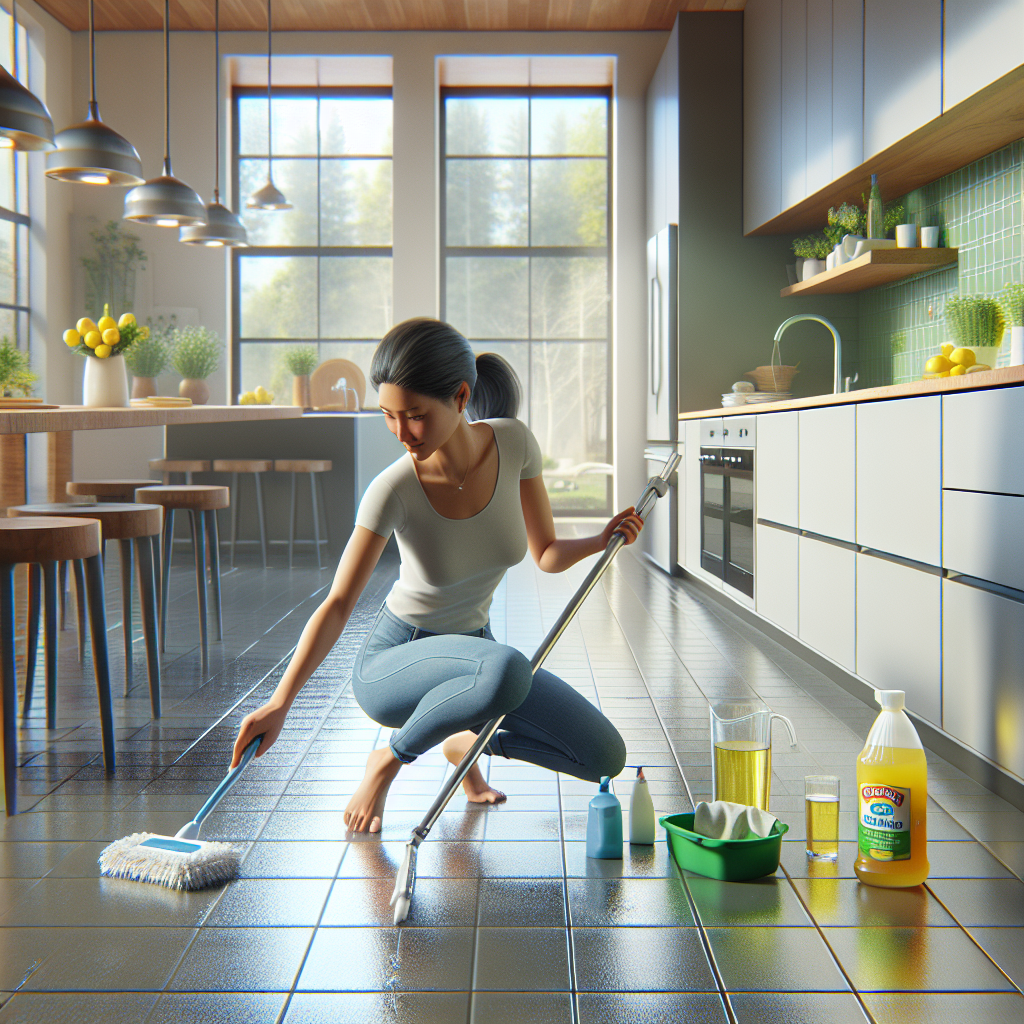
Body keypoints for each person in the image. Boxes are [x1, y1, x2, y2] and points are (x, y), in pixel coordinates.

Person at [231, 317, 642, 832]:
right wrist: (279, 702)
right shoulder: (394, 489)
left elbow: (548, 553)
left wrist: (601, 541)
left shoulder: (514, 444)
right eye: (388, 416)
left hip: (479, 663)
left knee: (603, 755)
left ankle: (460, 741)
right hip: (398, 661)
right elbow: (337, 603)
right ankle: (388, 761)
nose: (401, 434)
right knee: (506, 669)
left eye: (416, 416)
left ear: (461, 396)